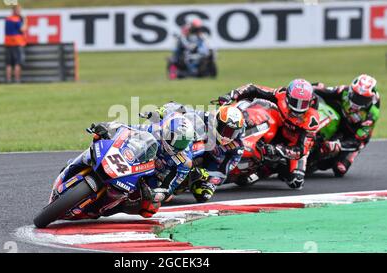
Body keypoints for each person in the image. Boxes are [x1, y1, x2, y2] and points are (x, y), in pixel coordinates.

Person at [57, 115, 195, 219]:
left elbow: (169, 187)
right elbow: (126, 129)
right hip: (135, 160)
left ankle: (105, 208)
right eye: (173, 137)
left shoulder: (184, 163)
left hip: (151, 179)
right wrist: (106, 127)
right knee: (98, 140)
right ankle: (74, 165)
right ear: (165, 131)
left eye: (182, 142)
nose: (177, 144)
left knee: (150, 209)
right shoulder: (154, 129)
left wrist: (156, 193)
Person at [218, 79, 320, 189]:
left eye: (303, 103)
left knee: (296, 181)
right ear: (288, 97)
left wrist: (278, 150)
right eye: (295, 102)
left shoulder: (311, 120)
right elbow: (253, 88)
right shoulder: (280, 94)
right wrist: (232, 95)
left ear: (309, 102)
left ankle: (262, 171)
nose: (298, 107)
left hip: (290, 145)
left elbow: (300, 150)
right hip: (274, 128)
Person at [145, 101, 246, 202]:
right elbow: (179, 107)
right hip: (190, 151)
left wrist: (204, 174)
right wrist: (162, 111)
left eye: (233, 132)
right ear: (217, 121)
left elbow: (222, 173)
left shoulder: (237, 148)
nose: (228, 135)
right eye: (226, 130)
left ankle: (179, 183)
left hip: (207, 169)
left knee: (203, 195)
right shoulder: (207, 117)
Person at [312, 74, 380, 177]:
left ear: (370, 99)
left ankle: (318, 160)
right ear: (351, 91)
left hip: (354, 133)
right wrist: (307, 89)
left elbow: (358, 140)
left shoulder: (372, 113)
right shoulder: (343, 91)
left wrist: (339, 144)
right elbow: (321, 89)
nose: (357, 101)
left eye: (362, 99)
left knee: (340, 169)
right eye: (355, 96)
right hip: (340, 118)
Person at [4, 4, 27, 83]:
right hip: (17, 43)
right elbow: (23, 29)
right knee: (17, 63)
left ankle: (8, 80)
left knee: (9, 64)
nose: (20, 12)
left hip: (8, 44)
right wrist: (25, 21)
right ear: (15, 11)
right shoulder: (16, 19)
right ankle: (17, 80)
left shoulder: (7, 19)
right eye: (19, 10)